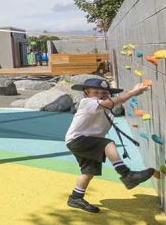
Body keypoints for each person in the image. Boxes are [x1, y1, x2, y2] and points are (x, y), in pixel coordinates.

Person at [64, 78, 156, 213]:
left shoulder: (105, 106)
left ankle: (75, 198)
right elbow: (112, 102)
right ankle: (126, 174)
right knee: (107, 143)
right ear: (86, 93)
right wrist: (132, 92)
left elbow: (115, 101)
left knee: (88, 172)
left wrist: (135, 90)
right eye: (96, 92)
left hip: (87, 141)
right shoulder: (87, 103)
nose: (100, 94)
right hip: (78, 140)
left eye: (104, 92)